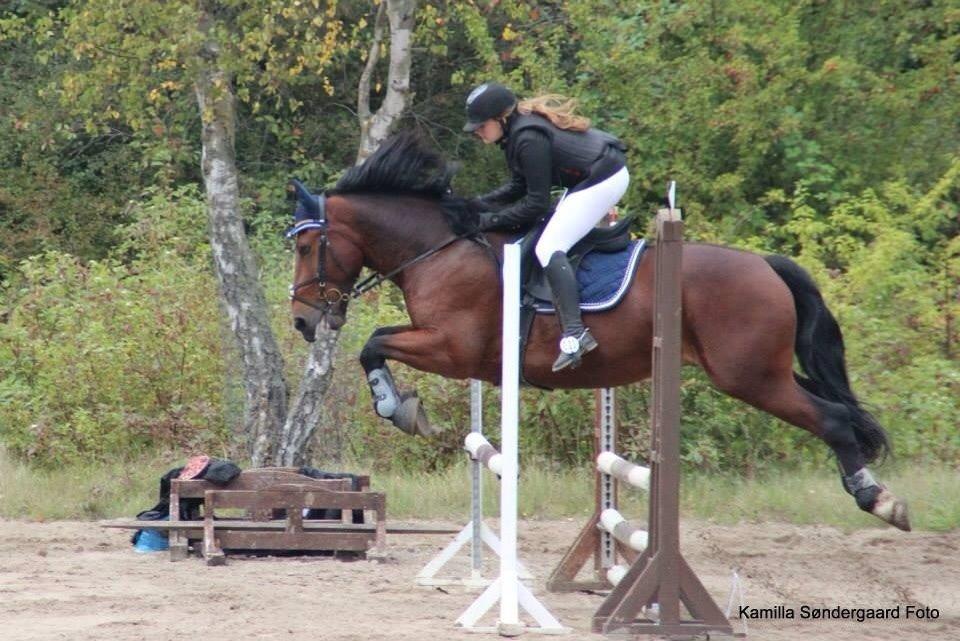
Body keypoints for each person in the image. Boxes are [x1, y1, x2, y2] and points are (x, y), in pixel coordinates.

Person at [463, 82, 629, 372]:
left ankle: (576, 333)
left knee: (548, 246)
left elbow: (536, 203)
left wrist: (487, 220)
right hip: (594, 175)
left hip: (605, 177)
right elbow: (518, 186)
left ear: (501, 118)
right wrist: (476, 204)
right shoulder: (516, 134)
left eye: (481, 125)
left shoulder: (527, 138)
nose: (477, 132)